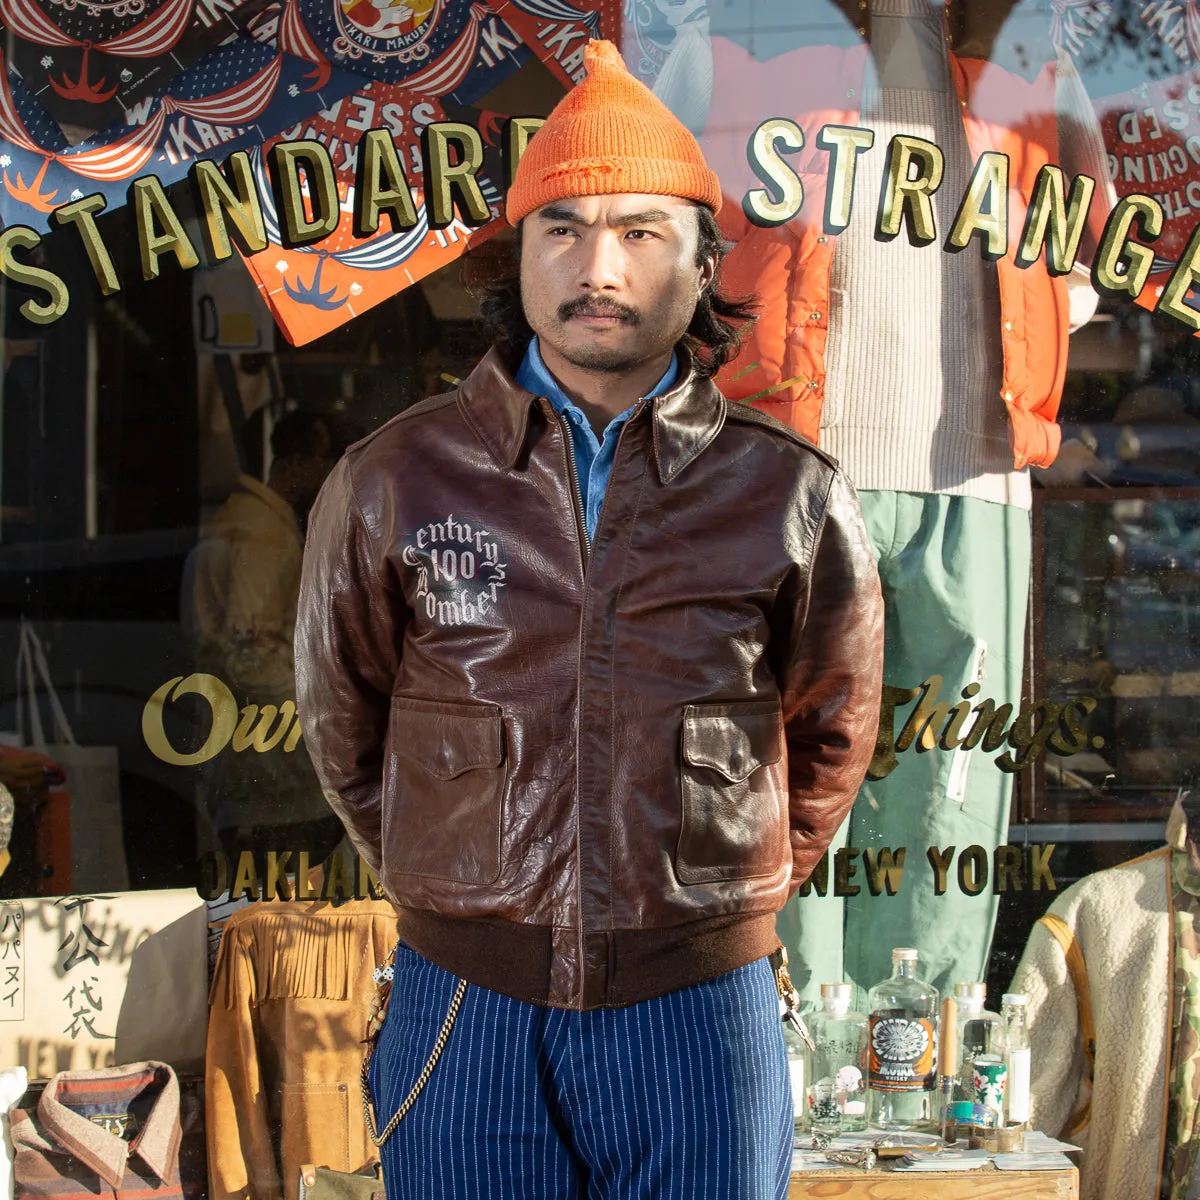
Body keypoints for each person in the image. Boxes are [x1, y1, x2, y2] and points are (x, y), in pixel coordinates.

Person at [295, 39, 884, 1200]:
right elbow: (341, 719)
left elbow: (831, 729)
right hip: (464, 999)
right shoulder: (396, 479)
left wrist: (714, 908)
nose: (598, 267)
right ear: (515, 258)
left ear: (702, 262)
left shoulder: (789, 493)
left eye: (641, 232)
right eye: (561, 230)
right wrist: (462, 890)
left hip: (699, 1004)